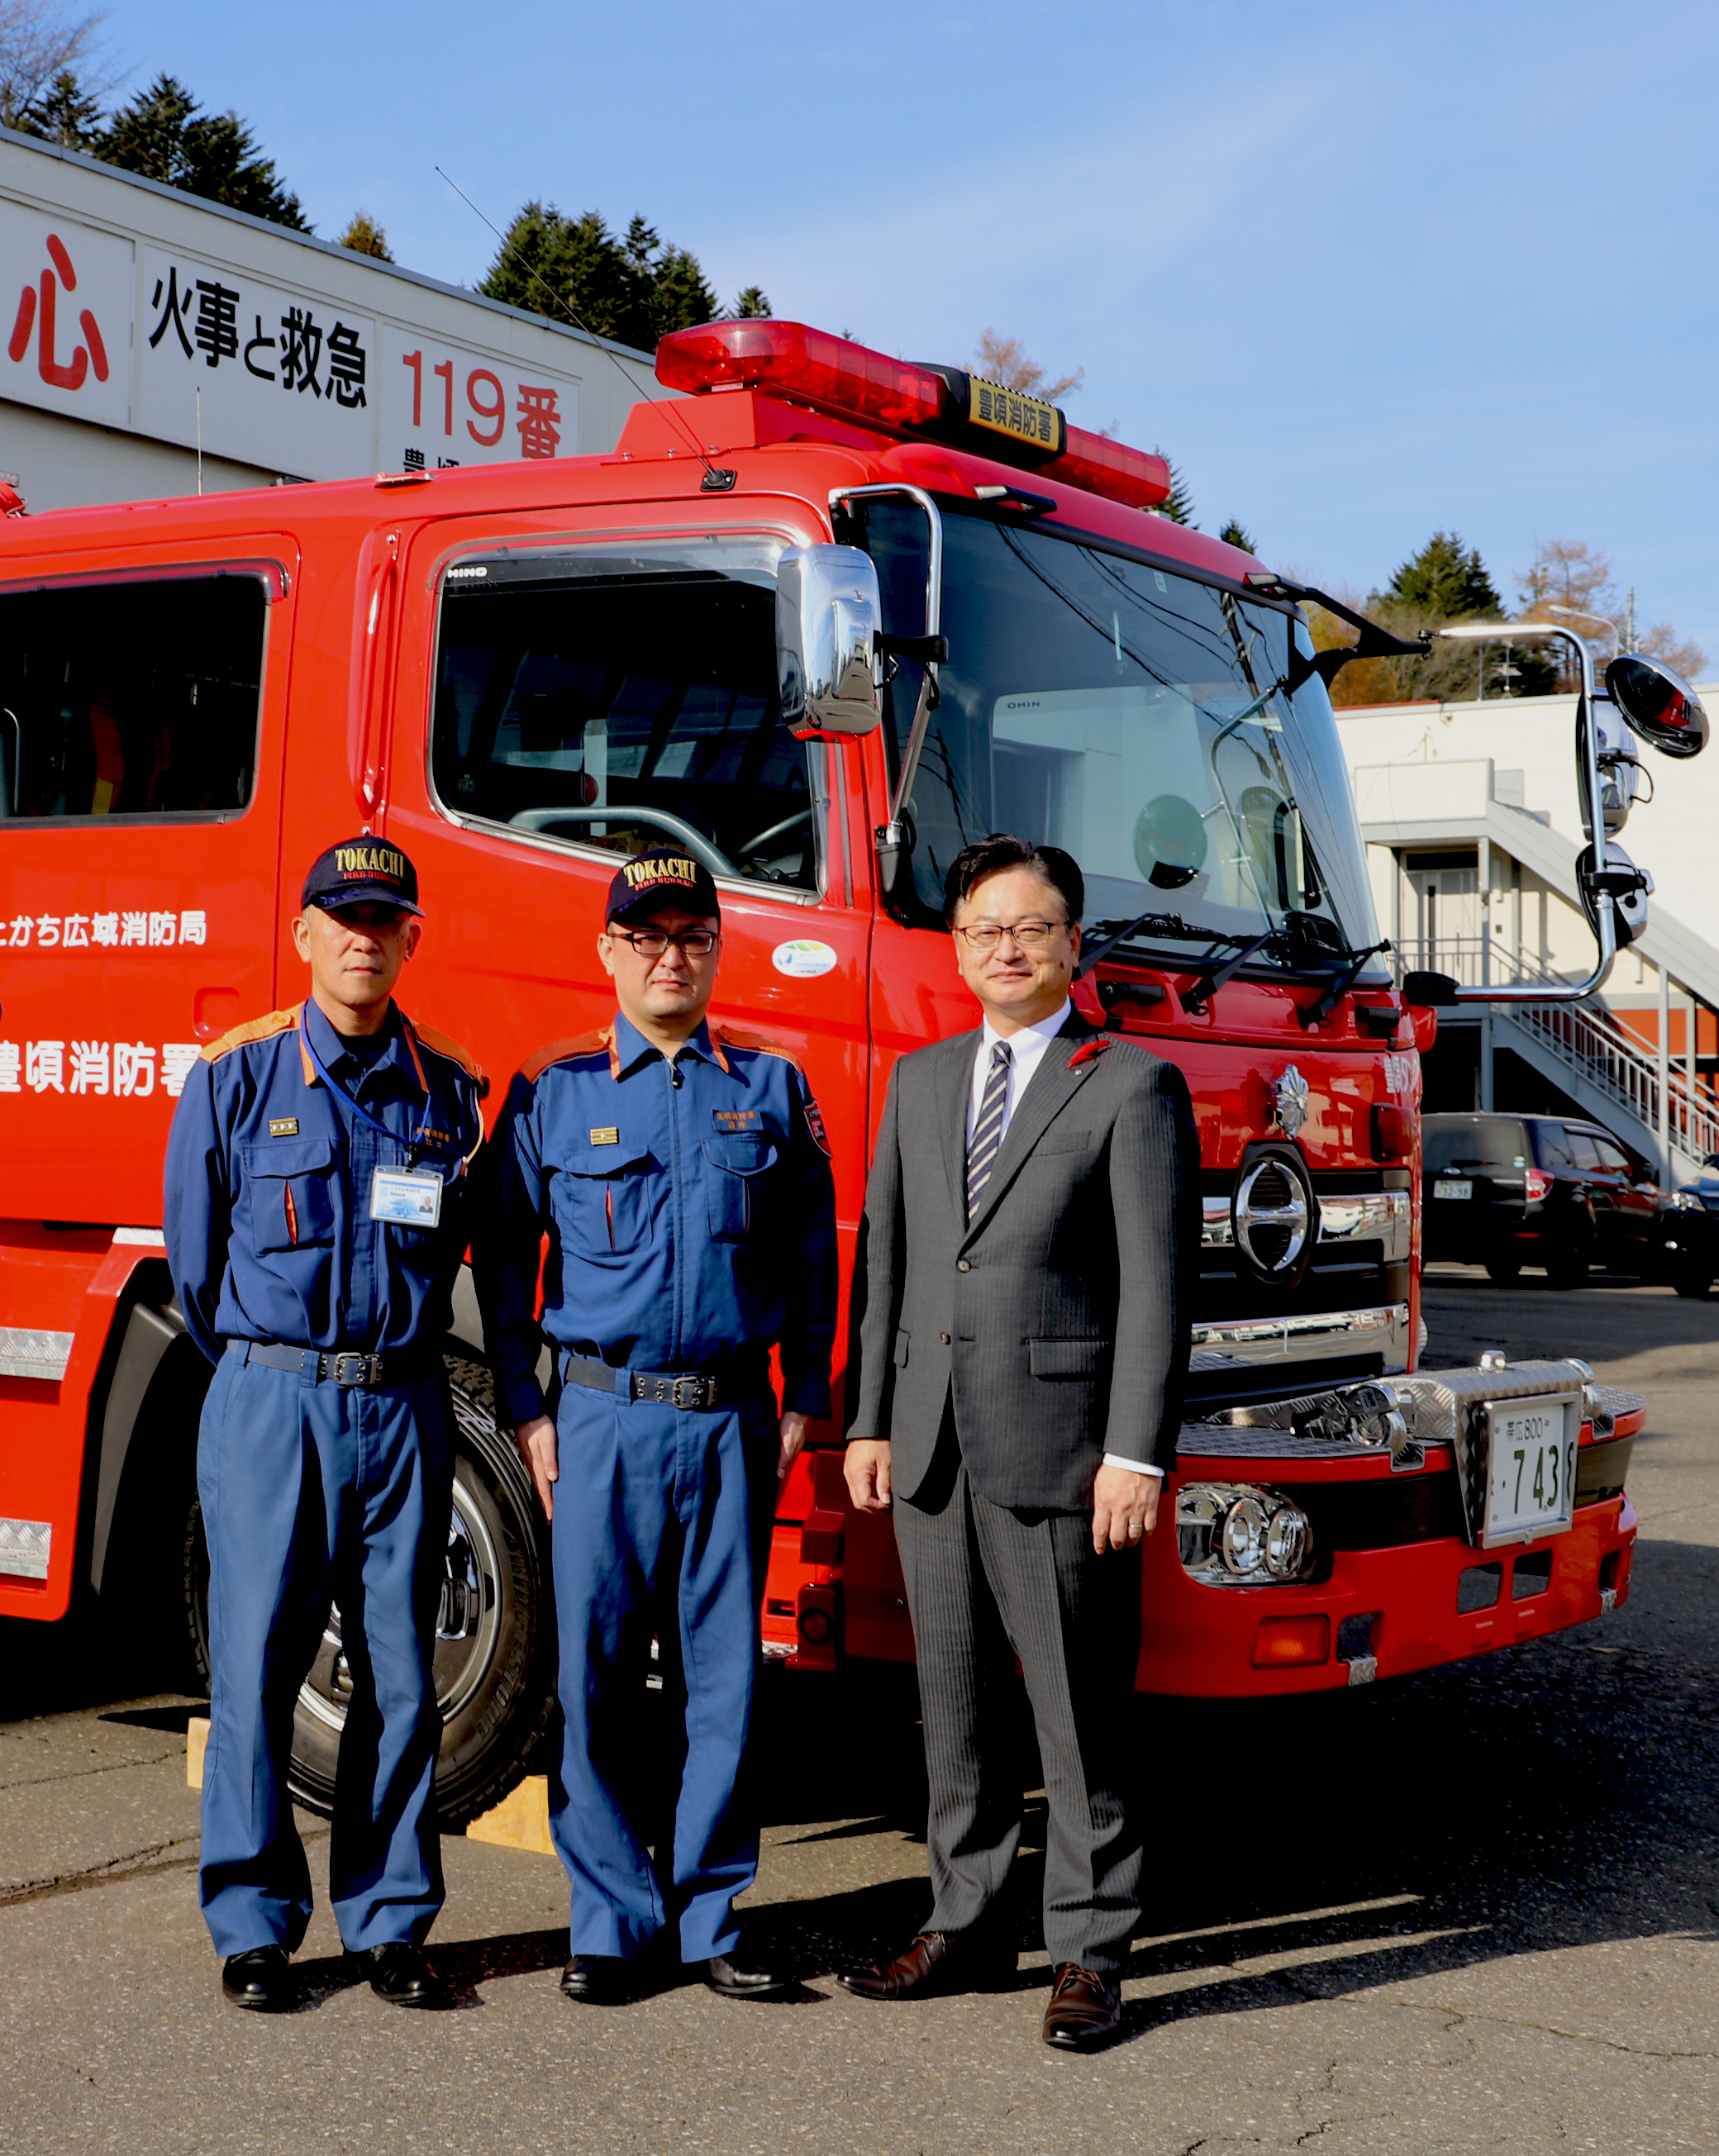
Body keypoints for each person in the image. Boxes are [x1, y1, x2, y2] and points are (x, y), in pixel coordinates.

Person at [836, 835, 1193, 2054]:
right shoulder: (923, 1080)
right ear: (958, 947)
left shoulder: (1130, 1083)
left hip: (1063, 1449)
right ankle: (968, 1918)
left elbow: (1157, 1288)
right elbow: (889, 1260)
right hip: (931, 1444)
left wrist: (1135, 1453)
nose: (1008, 948)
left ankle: (1092, 1947)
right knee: (955, 1707)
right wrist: (869, 1418)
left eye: (1032, 928)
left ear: (1071, 944)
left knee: (1082, 1717)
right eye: (987, 929)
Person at [478, 851, 836, 2005]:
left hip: (731, 1420)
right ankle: (609, 1922)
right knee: (591, 1680)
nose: (667, 955)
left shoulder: (773, 1088)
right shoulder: (553, 1089)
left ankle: (710, 1919)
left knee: (724, 1682)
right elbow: (499, 1267)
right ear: (607, 952)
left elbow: (814, 1261)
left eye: (689, 936)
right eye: (644, 937)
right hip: (599, 1423)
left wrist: (806, 1399)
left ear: (718, 951)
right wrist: (525, 1407)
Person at [160, 832, 488, 2015]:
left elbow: (455, 1247)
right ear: (302, 935)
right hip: (270, 1403)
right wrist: (271, 1376)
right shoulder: (236, 1077)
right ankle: (254, 1928)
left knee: (402, 1676)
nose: (362, 937)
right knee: (253, 1669)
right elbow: (194, 1276)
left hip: (400, 1403)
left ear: (412, 939)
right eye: (339, 917)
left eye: (384, 919)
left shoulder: (450, 1089)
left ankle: (390, 1921)